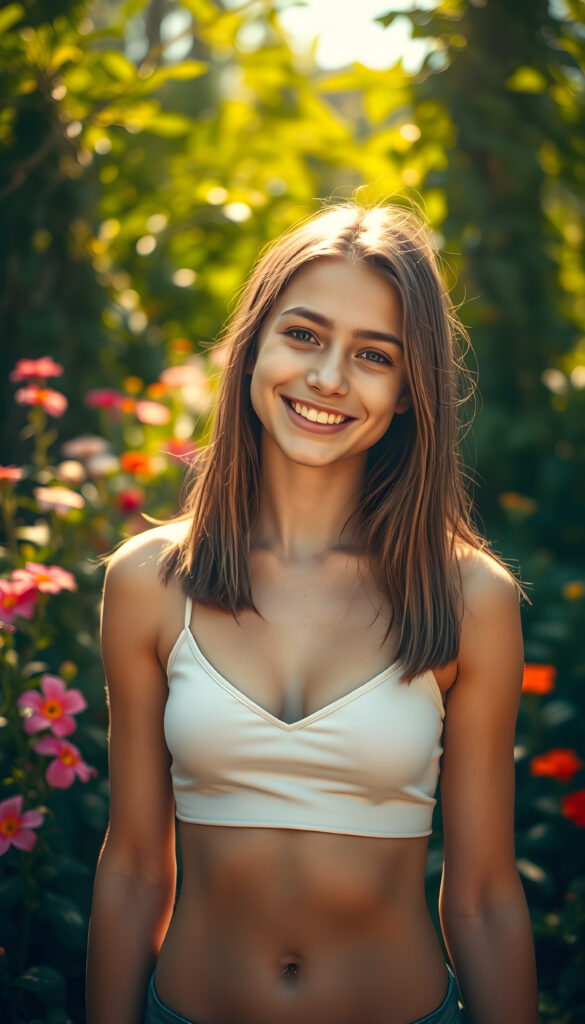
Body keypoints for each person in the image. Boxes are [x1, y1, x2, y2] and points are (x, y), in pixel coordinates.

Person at [85, 201, 539, 1024]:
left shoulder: (470, 597)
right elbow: (134, 868)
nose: (329, 377)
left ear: (408, 392)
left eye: (373, 355)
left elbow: (481, 897)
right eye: (302, 334)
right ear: (251, 348)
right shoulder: (149, 581)